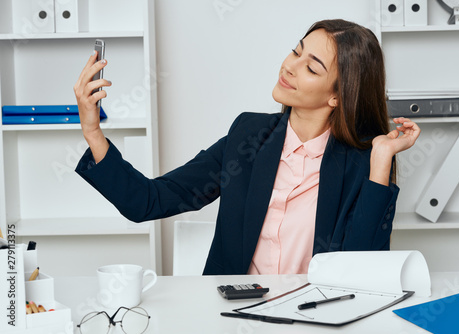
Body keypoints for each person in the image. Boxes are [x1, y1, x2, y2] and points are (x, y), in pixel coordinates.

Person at [73, 19, 420, 275]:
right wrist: (92, 130)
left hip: (317, 319)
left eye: (311, 67)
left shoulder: (363, 159)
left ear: (337, 96)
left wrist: (381, 163)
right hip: (233, 316)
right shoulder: (248, 137)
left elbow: (363, 268)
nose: (290, 66)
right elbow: (147, 201)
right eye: (296, 51)